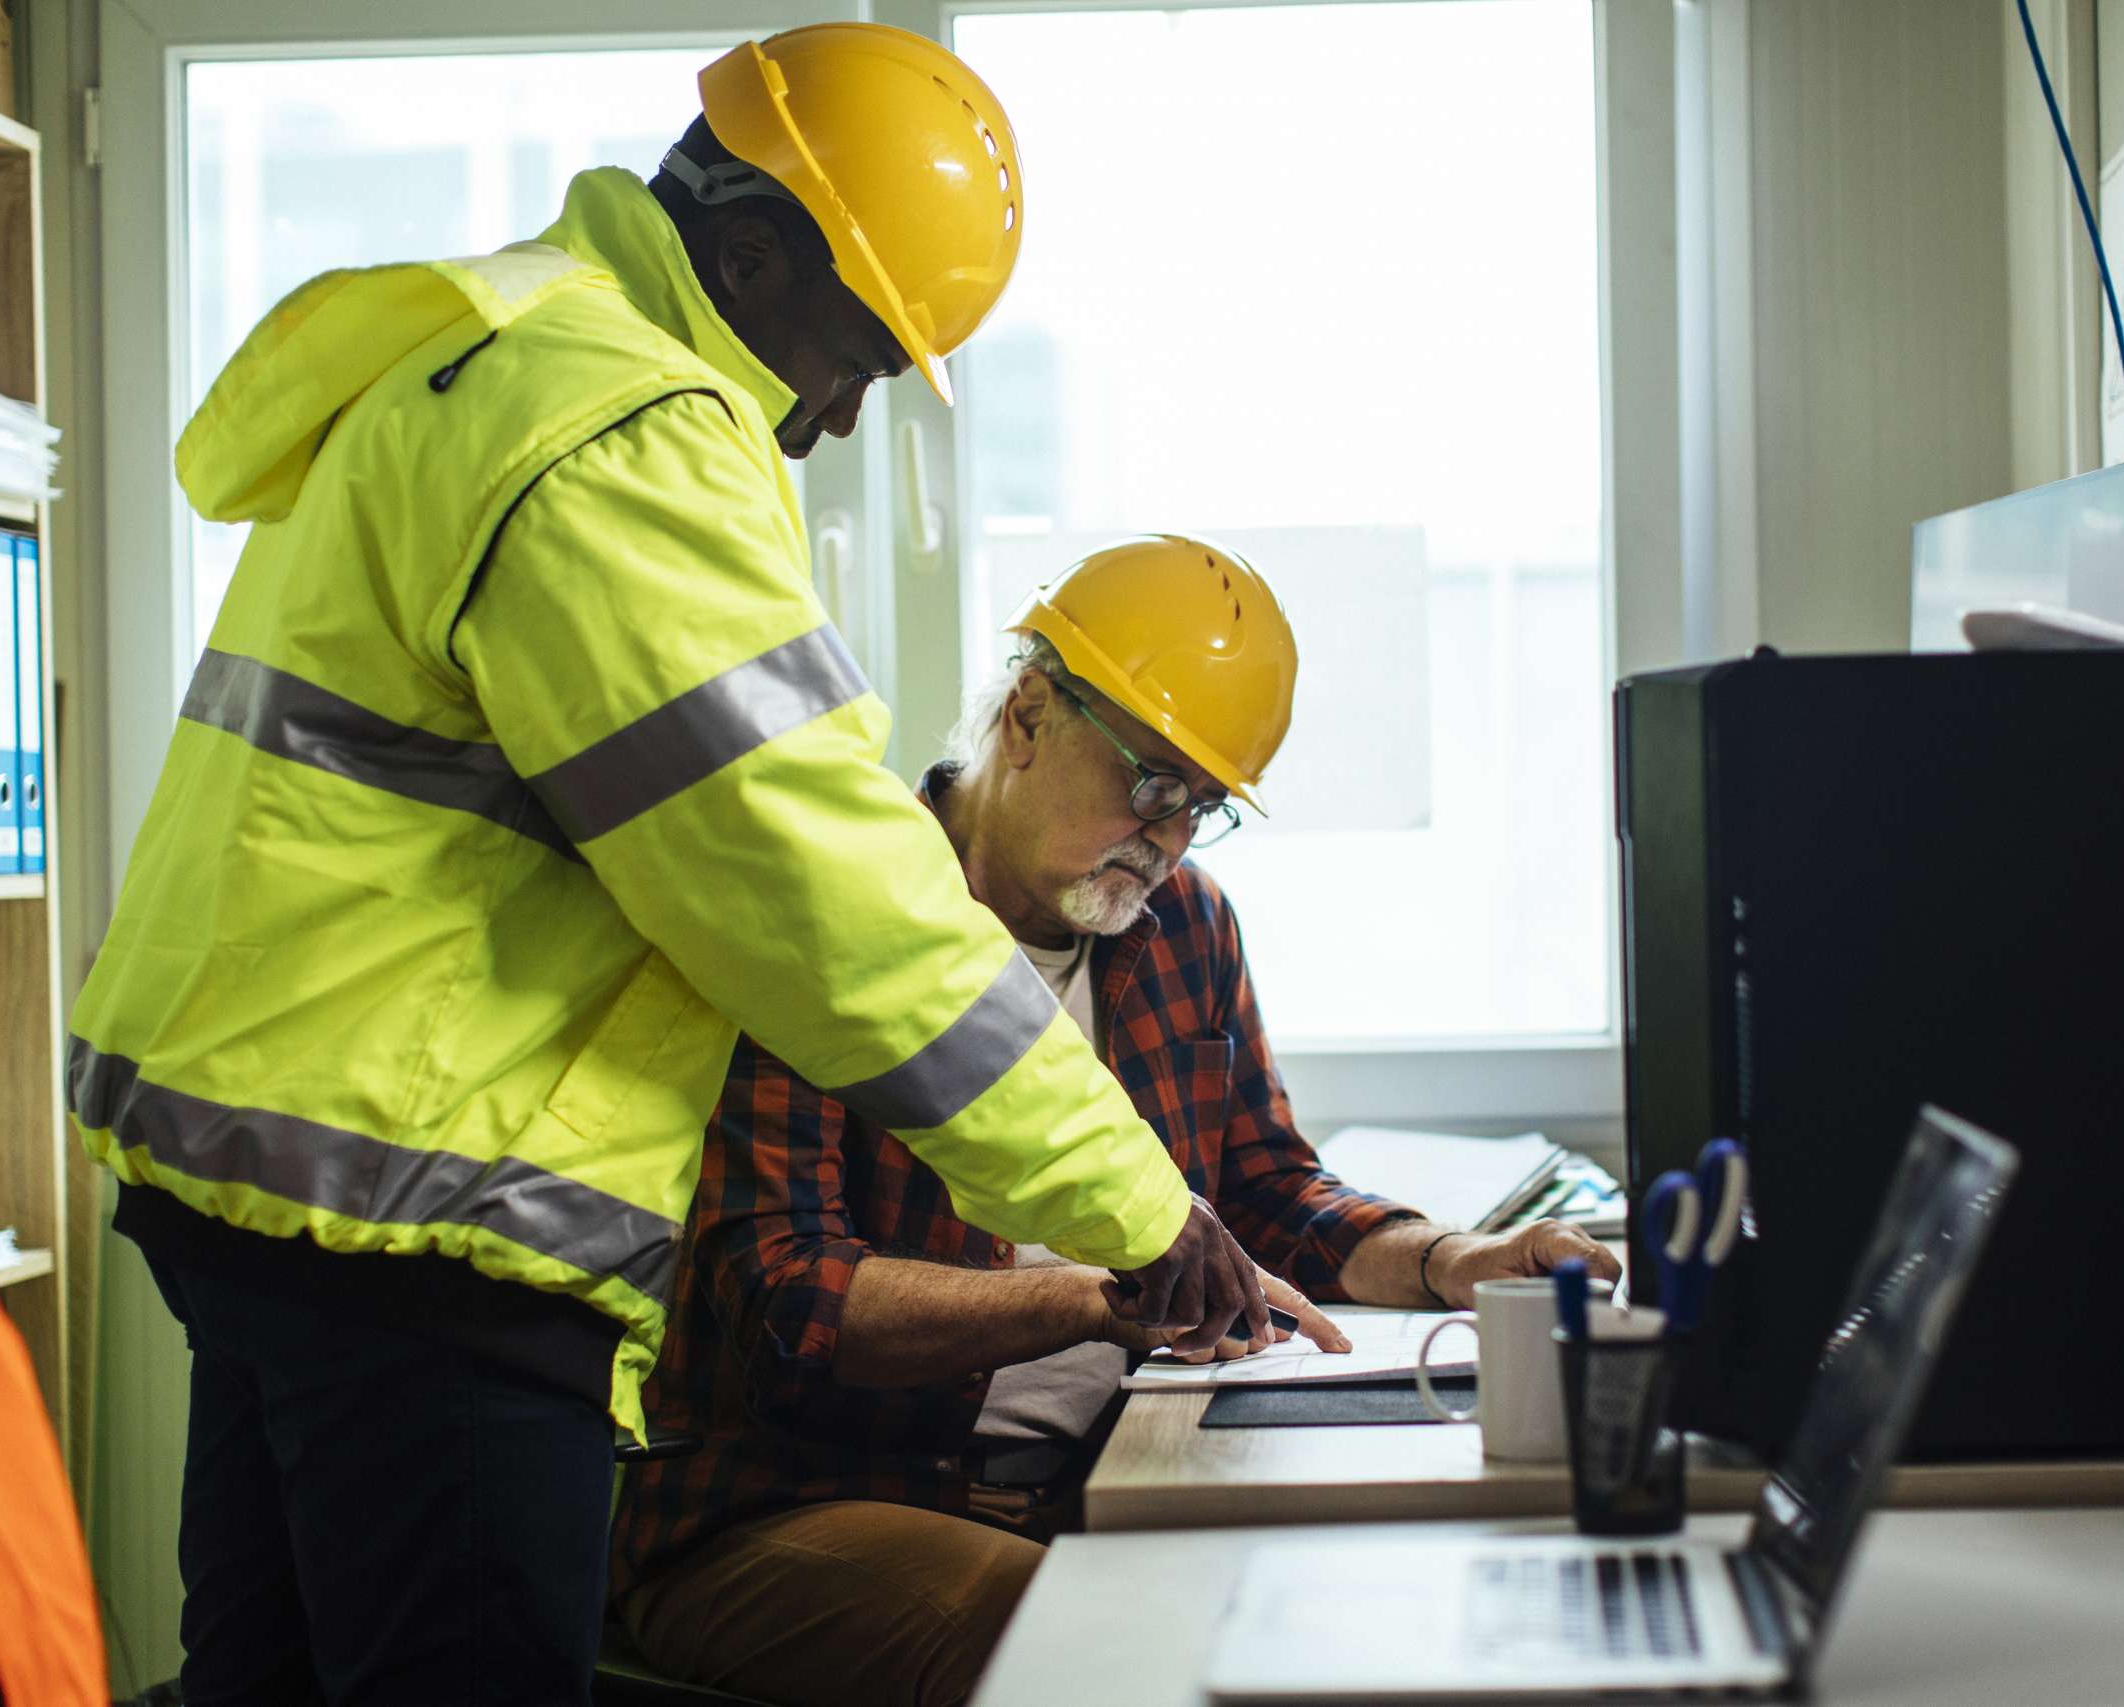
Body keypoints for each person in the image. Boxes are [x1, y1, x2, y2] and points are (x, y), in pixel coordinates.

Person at [65, 32, 1267, 1706]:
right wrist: (1139, 1212)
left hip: (282, 1192)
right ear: (755, 252)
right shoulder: (622, 427)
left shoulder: (506, 349)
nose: (835, 418)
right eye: (851, 360)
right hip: (432, 1224)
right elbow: (824, 898)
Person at [609, 537, 1622, 1707]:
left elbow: (1267, 1193)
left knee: (1362, 1616)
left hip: (1106, 1476)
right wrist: (1111, 1300)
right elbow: (785, 1302)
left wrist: (1451, 1258)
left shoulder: (1183, 923)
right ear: (1029, 715)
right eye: (1153, 786)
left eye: (1201, 808)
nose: (1170, 836)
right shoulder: (832, 921)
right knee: (1093, 1651)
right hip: (799, 1500)